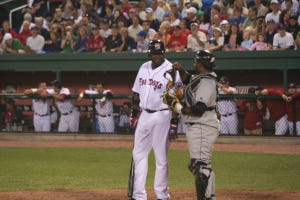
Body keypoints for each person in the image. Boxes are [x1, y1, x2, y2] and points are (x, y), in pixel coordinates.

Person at [130, 40, 182, 200]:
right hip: (144, 114)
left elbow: (177, 96)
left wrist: (174, 122)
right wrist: (133, 114)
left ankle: (162, 195)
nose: (157, 56)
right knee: (138, 154)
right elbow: (136, 93)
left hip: (163, 114)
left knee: (161, 157)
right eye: (154, 53)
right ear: (150, 54)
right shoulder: (144, 67)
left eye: (159, 53)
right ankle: (138, 195)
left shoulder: (172, 70)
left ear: (164, 53)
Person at [166, 50, 219, 200]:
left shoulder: (206, 82)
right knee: (200, 165)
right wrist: (181, 70)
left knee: (200, 167)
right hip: (200, 126)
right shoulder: (202, 78)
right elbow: (188, 78)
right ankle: (210, 196)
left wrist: (177, 107)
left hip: (202, 125)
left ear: (200, 64)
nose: (194, 63)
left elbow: (199, 109)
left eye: (196, 61)